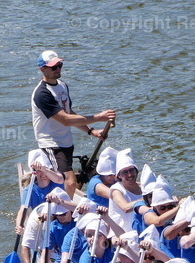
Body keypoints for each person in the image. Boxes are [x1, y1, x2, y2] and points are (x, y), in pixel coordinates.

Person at [30, 49, 116, 195]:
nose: (58, 69)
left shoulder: (62, 85)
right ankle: (65, 212)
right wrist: (98, 117)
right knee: (69, 181)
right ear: (42, 69)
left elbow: (69, 112)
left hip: (66, 143)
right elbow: (65, 120)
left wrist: (91, 131)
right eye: (53, 67)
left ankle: (64, 203)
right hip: (51, 143)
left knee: (66, 180)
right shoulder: (42, 93)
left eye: (59, 65)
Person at [108, 149, 145, 232]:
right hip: (121, 233)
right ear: (119, 175)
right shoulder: (116, 190)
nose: (129, 175)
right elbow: (125, 208)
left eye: (132, 170)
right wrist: (145, 199)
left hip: (140, 229)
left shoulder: (143, 187)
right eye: (125, 172)